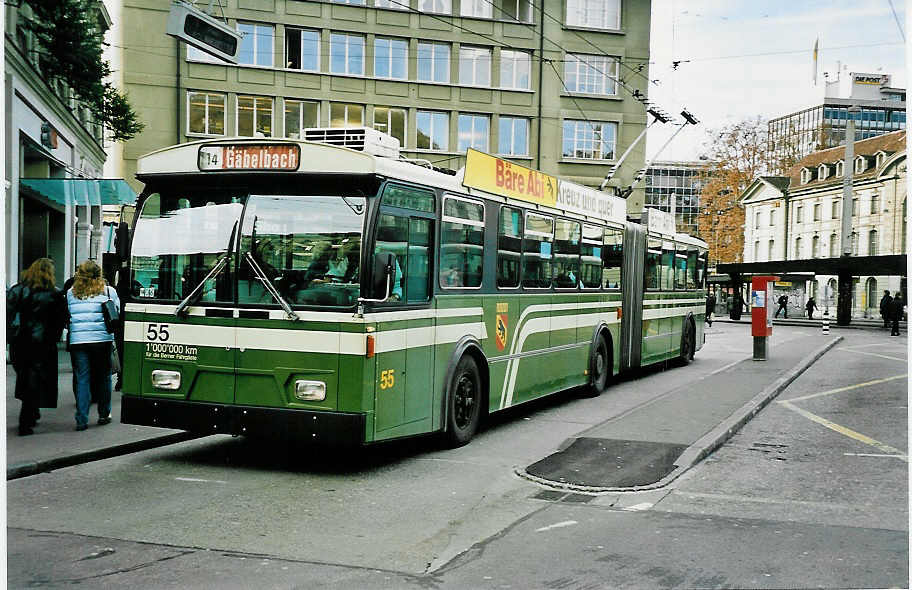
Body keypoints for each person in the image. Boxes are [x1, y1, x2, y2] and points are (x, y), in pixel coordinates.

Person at [6, 258, 67, 436]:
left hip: (19, 342)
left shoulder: (18, 290)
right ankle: (27, 419)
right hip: (42, 343)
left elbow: (8, 314)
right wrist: (53, 338)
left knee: (25, 377)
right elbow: (60, 320)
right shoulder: (54, 294)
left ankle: (31, 412)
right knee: (34, 380)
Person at [66, 260, 120, 431]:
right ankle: (104, 413)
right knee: (104, 377)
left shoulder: (71, 293)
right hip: (102, 339)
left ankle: (81, 419)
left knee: (82, 378)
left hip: (79, 341)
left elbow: (68, 313)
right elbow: (116, 311)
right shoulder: (108, 291)